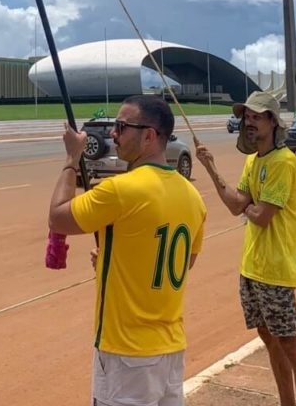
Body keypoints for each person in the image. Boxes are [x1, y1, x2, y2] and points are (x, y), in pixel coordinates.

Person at [47, 95, 207, 406]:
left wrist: (71, 159)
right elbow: (184, 262)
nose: (113, 134)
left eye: (121, 126)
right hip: (170, 351)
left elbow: (58, 217)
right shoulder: (193, 197)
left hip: (126, 352)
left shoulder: (121, 190)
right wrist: (117, 260)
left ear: (149, 135)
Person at [195, 91, 296, 406]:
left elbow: (261, 216)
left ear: (273, 122)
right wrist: (210, 167)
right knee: (269, 340)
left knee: (290, 343)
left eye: (256, 116)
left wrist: (249, 208)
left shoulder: (283, 162)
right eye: (246, 116)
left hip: (276, 268)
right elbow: (238, 205)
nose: (248, 122)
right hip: (252, 266)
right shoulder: (254, 160)